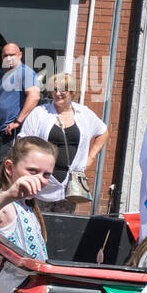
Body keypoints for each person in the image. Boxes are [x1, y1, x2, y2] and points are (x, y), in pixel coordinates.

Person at [19, 73, 109, 213]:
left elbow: (103, 132)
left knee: (63, 228)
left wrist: (91, 156)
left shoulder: (83, 113)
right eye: (54, 89)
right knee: (40, 227)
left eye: (62, 90)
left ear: (72, 92)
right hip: (41, 184)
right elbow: (22, 140)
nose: (57, 93)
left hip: (70, 187)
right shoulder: (40, 113)